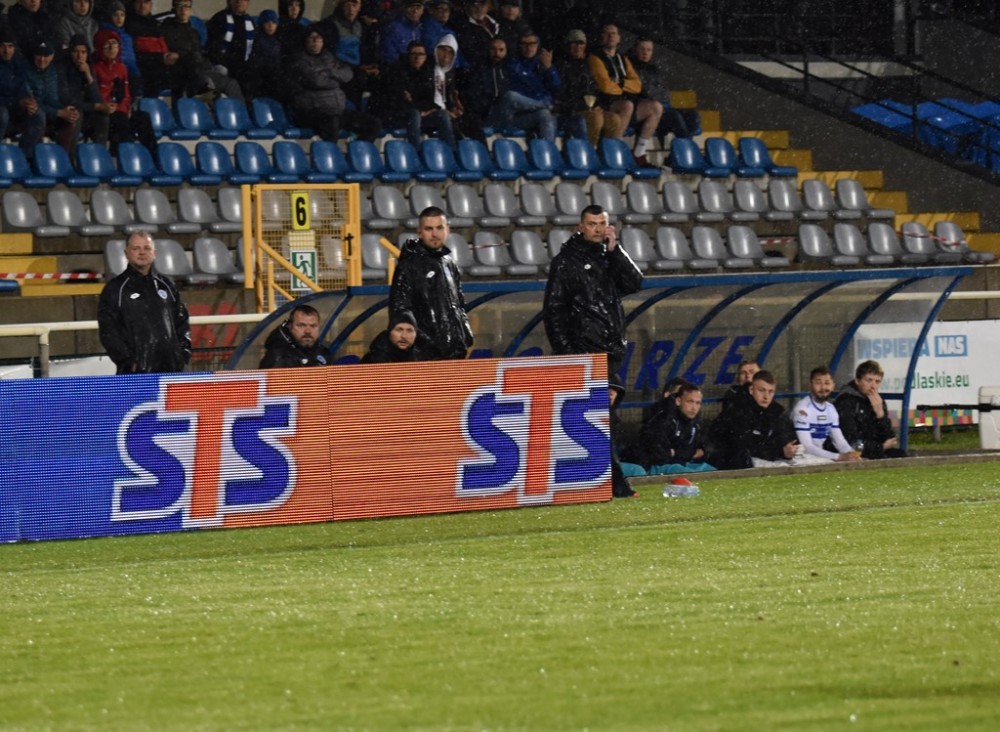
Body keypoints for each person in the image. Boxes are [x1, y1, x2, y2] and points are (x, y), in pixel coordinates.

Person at [543, 204, 643, 381]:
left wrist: (615, 251)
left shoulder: (609, 256)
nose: (598, 229)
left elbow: (634, 283)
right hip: (581, 348)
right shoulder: (566, 261)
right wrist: (566, 352)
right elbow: (554, 309)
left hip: (611, 348)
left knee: (608, 397)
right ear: (581, 227)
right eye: (592, 224)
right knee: (588, 398)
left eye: (602, 223)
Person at [98, 231, 191, 375]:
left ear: (154, 253)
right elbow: (109, 330)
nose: (142, 252)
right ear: (126, 253)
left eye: (147, 248)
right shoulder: (115, 289)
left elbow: (182, 321)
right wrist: (128, 362)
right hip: (134, 374)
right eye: (136, 248)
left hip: (171, 370)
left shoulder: (167, 285)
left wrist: (182, 354)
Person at [388, 206, 473, 360]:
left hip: (455, 353)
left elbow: (459, 304)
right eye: (429, 229)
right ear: (419, 232)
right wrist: (428, 345)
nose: (435, 234)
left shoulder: (449, 263)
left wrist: (465, 335)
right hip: (424, 357)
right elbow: (400, 311)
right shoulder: (408, 266)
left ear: (447, 229)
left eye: (439, 228)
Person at [587, 23, 663, 165]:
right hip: (605, 103)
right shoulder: (595, 57)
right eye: (607, 33)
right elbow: (605, 86)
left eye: (614, 33)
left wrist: (620, 83)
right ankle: (615, 151)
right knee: (627, 105)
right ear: (601, 37)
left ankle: (639, 153)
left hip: (626, 102)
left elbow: (638, 86)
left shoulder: (622, 59)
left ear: (619, 38)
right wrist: (626, 86)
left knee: (656, 107)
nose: (611, 36)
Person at [288, 28, 381, 142]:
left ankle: (356, 151)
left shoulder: (329, 57)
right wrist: (336, 78)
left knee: (373, 124)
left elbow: (347, 74)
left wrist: (328, 73)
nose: (315, 41)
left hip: (336, 109)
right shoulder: (298, 59)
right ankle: (329, 152)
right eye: (311, 38)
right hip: (313, 111)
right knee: (332, 125)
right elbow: (316, 80)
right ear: (305, 40)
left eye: (318, 38)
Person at [707, 369, 799, 470]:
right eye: (761, 390)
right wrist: (780, 451)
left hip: (764, 460)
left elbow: (789, 438)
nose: (766, 396)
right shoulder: (738, 410)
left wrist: (790, 449)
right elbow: (744, 446)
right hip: (729, 464)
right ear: (751, 390)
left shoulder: (777, 411)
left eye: (770, 391)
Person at [374, 39, 456, 149]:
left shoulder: (426, 74)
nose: (417, 58)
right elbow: (396, 101)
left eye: (421, 54)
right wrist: (419, 109)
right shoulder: (396, 72)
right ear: (408, 55)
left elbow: (428, 99)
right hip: (393, 116)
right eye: (414, 54)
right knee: (414, 114)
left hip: (417, 115)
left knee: (443, 115)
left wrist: (425, 109)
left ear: (425, 57)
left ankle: (452, 151)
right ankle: (417, 152)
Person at [622, 382, 715, 475]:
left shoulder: (694, 422)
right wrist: (688, 453)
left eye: (698, 403)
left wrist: (700, 451)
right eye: (690, 401)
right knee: (688, 473)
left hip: (681, 463)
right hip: (654, 466)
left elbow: (707, 445)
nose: (694, 407)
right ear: (678, 401)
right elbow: (661, 453)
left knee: (712, 471)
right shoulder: (663, 419)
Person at [91, 27, 156, 155]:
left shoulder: (122, 68)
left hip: (120, 109)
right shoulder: (94, 68)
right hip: (103, 111)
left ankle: (153, 156)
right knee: (121, 121)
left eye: (114, 44)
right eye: (107, 45)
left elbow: (126, 94)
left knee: (143, 117)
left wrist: (125, 109)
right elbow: (96, 94)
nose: (111, 48)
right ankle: (123, 156)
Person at [161, 0, 243, 101]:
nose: (183, 10)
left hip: (200, 70)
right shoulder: (166, 30)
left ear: (190, 10)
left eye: (186, 6)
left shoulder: (194, 33)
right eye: (179, 6)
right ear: (174, 9)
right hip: (181, 71)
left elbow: (199, 53)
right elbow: (171, 55)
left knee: (231, 83)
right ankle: (205, 94)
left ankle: (241, 110)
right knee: (207, 80)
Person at [627, 36, 701, 146]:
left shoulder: (653, 69)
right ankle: (687, 148)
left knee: (692, 115)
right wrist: (654, 93)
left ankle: (685, 148)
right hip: (646, 109)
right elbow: (644, 91)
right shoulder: (629, 67)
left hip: (662, 106)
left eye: (649, 50)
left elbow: (665, 93)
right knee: (674, 117)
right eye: (642, 49)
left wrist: (653, 93)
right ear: (635, 50)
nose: (645, 53)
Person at [554, 28, 618, 148]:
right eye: (574, 43)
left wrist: (599, 105)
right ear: (568, 45)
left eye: (581, 43)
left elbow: (595, 89)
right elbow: (562, 95)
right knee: (595, 118)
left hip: (589, 108)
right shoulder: (561, 66)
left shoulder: (589, 64)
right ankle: (589, 152)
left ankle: (607, 152)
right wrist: (583, 107)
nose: (578, 47)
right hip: (571, 110)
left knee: (614, 119)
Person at [833, 359, 907, 459]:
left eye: (877, 382)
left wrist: (880, 415)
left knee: (900, 454)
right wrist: (881, 447)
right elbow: (850, 440)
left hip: (874, 450)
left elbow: (890, 438)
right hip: (853, 453)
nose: (873, 386)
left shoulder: (878, 401)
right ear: (857, 381)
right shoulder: (845, 401)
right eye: (869, 380)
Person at [792, 366, 860, 463]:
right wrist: (838, 457)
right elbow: (807, 447)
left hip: (818, 459)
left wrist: (852, 455)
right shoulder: (802, 409)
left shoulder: (831, 409)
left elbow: (840, 442)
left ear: (833, 386)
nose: (823, 387)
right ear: (810, 385)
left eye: (827, 383)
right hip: (798, 461)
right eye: (818, 383)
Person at [501, 30, 558, 141]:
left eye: (532, 44)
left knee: (545, 115)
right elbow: (515, 96)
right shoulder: (512, 64)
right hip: (515, 117)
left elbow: (556, 86)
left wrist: (549, 68)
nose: (528, 48)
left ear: (538, 46)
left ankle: (547, 150)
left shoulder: (542, 64)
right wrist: (544, 102)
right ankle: (545, 105)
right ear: (519, 46)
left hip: (536, 113)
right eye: (524, 44)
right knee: (511, 96)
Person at [25, 40, 80, 154]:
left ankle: (63, 157)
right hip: (27, 115)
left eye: (46, 56)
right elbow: (32, 104)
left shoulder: (52, 72)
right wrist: (58, 112)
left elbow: (51, 99)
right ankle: (33, 157)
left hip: (48, 113)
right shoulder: (25, 71)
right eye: (39, 55)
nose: (42, 59)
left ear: (52, 56)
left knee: (71, 117)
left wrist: (65, 110)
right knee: (39, 116)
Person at [57, 33, 111, 145]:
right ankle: (70, 154)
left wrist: (88, 75)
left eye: (83, 52)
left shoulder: (88, 67)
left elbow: (97, 99)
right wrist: (95, 106)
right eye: (76, 51)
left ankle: (99, 152)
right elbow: (65, 99)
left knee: (103, 118)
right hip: (66, 111)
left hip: (85, 110)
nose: (79, 56)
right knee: (76, 114)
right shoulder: (62, 68)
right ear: (70, 53)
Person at [0, 28, 44, 158]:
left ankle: (24, 158)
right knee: (2, 114)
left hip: (15, 108)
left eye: (10, 46)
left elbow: (22, 88)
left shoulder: (19, 64)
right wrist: (17, 102)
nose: (6, 51)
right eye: (2, 46)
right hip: (4, 107)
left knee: (38, 114)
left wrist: (28, 101)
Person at [205, 0, 257, 98]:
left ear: (248, 3)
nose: (239, 1)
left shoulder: (250, 22)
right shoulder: (220, 18)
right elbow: (212, 47)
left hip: (243, 65)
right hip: (223, 63)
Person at [258, 303, 331, 368]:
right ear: (290, 326)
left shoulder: (323, 353)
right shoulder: (278, 356)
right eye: (301, 325)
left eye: (313, 326)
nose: (308, 331)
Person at [361, 311, 427, 364]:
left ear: (416, 334)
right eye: (399, 330)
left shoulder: (422, 358)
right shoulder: (374, 359)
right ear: (390, 332)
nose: (404, 336)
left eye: (409, 331)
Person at [379, 0, 423, 66]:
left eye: (418, 8)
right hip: (396, 68)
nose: (415, 11)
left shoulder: (419, 28)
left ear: (422, 11)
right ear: (404, 9)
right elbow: (389, 55)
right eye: (411, 7)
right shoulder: (393, 28)